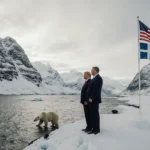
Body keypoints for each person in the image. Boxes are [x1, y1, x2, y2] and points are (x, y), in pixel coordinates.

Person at [88, 67, 103, 135]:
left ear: (95, 71)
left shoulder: (98, 78)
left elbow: (96, 90)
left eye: (92, 70)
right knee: (92, 114)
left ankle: (96, 129)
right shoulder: (94, 78)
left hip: (94, 100)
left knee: (95, 114)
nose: (91, 71)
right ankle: (94, 128)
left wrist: (92, 97)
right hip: (91, 100)